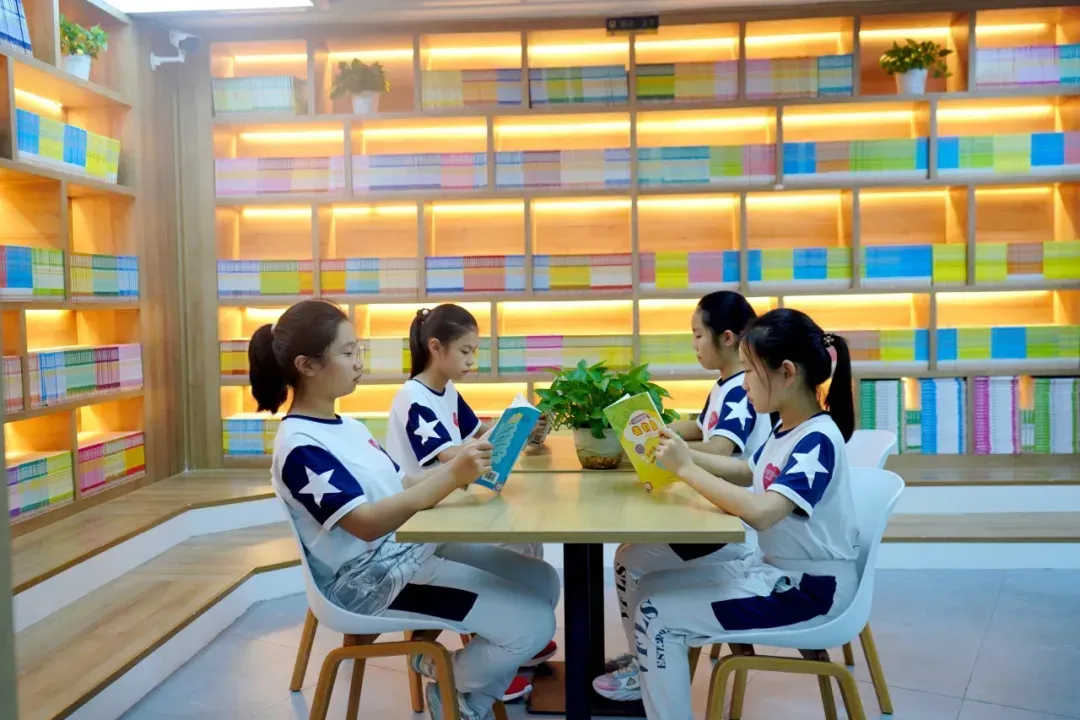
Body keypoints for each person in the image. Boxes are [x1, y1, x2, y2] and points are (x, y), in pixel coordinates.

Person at [249, 299, 559, 720]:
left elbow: (405, 483)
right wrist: (453, 475)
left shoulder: (349, 426)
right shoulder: (299, 446)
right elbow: (365, 524)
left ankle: (465, 692)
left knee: (543, 580)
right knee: (534, 625)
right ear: (307, 365)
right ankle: (458, 689)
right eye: (348, 352)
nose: (359, 362)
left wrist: (463, 468)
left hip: (407, 552)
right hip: (370, 582)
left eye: (358, 349)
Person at [625, 308, 860, 720]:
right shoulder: (789, 428)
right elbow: (749, 473)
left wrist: (686, 468)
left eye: (750, 371)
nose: (744, 382)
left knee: (655, 614)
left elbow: (762, 513)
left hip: (812, 594)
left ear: (786, 373)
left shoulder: (818, 440)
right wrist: (677, 459)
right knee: (648, 589)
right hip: (778, 572)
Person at [593, 291, 772, 703]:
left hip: (730, 526)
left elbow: (721, 448)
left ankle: (643, 667)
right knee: (630, 553)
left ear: (727, 338)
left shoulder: (740, 390)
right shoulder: (726, 385)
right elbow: (704, 428)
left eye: (697, 335)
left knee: (629, 560)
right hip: (717, 509)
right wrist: (660, 428)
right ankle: (644, 657)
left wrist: (670, 452)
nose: (694, 345)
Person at [384, 303, 556, 701]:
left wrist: (522, 426)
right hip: (427, 524)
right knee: (517, 543)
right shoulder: (413, 398)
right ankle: (492, 658)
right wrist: (497, 437)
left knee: (530, 546)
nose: (472, 361)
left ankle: (506, 650)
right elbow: (455, 458)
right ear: (436, 347)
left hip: (446, 510)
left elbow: (478, 435)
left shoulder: (446, 391)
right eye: (465, 351)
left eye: (474, 351)